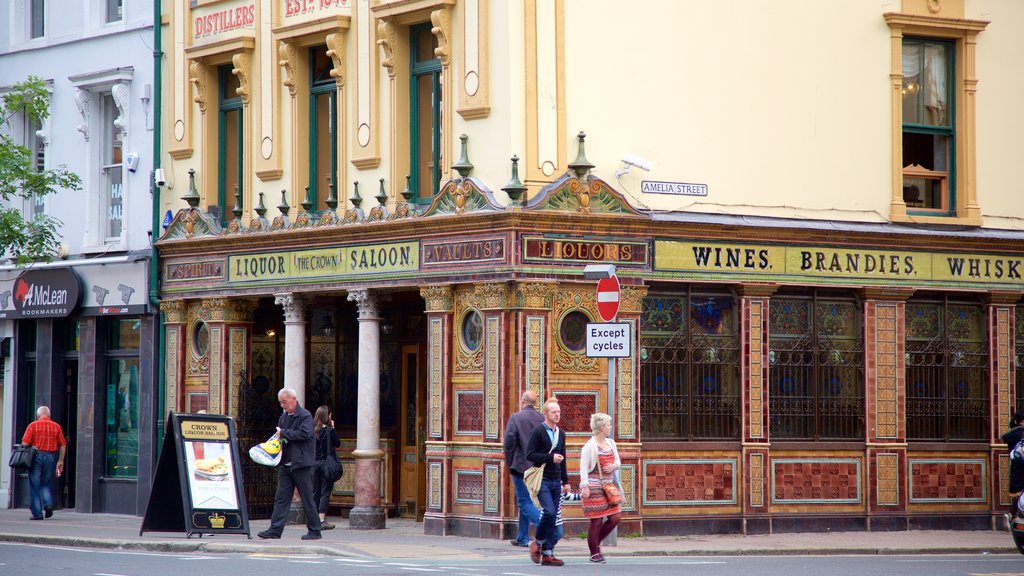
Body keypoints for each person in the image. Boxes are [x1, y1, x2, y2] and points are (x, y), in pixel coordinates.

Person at [258, 388, 323, 540]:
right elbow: (280, 436)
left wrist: (285, 434)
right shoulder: (283, 417)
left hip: (302, 465)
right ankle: (275, 530)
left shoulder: (305, 415)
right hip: (286, 464)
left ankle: (315, 530)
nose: (282, 405)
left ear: (294, 399)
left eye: (284, 402)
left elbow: (305, 433)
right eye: (281, 403)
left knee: (307, 498)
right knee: (281, 498)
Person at [525, 398, 569, 566]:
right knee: (549, 512)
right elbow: (530, 454)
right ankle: (538, 541)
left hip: (556, 479)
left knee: (552, 518)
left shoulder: (561, 434)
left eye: (558, 412)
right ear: (545, 414)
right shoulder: (538, 432)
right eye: (553, 412)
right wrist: (550, 457)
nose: (557, 414)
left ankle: (548, 553)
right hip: (542, 479)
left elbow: (563, 458)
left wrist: (566, 480)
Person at [503, 389, 545, 547]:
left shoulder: (516, 418)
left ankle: (544, 524)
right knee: (528, 500)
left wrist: (510, 461)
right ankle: (522, 537)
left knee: (523, 502)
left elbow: (509, 442)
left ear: (523, 401)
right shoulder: (542, 418)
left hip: (521, 466)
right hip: (538, 467)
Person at [579, 412, 622, 563]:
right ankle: (594, 552)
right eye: (608, 425)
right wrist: (584, 486)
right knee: (596, 521)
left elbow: (618, 460)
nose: (610, 427)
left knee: (615, 517)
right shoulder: (589, 446)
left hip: (609, 487)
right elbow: (583, 468)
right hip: (594, 487)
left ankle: (597, 543)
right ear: (601, 427)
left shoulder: (611, 443)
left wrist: (614, 466)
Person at [21, 406, 66, 520]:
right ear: (49, 415)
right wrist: (60, 460)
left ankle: (37, 513)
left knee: (34, 485)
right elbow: (63, 444)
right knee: (45, 483)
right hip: (50, 457)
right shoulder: (56, 426)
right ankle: (48, 504)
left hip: (36, 456)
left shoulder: (33, 425)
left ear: (38, 415)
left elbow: (25, 443)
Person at [313, 405, 341, 530]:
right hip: (326, 465)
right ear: (327, 416)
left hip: (314, 464)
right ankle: (321, 518)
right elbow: (337, 443)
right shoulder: (329, 431)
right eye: (330, 415)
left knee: (315, 491)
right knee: (325, 492)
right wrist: (333, 428)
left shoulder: (312, 430)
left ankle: (313, 518)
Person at [1002, 410, 1024, 526]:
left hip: (1015, 467)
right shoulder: (1022, 433)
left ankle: (1011, 514)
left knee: (1018, 495)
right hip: (1022, 467)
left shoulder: (1012, 434)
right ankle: (1012, 515)